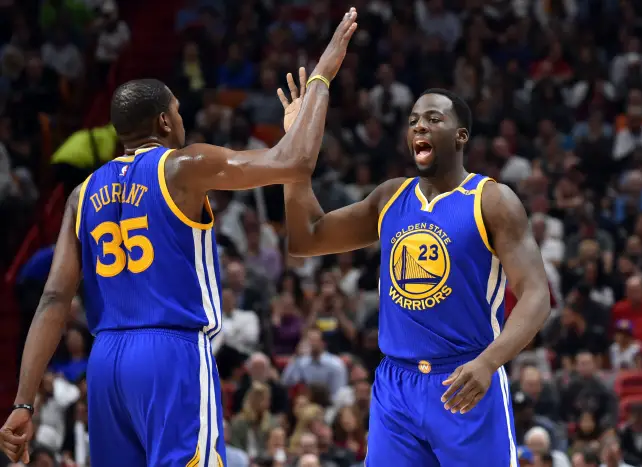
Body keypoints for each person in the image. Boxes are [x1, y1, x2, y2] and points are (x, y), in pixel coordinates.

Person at [0, 9, 359, 466]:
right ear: (166, 123)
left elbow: (53, 301)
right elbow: (296, 161)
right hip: (170, 352)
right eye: (178, 111)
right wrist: (321, 80)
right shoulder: (183, 166)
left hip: (106, 363)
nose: (181, 119)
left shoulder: (81, 194)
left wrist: (23, 402)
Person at [277, 79, 551, 465]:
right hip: (396, 388)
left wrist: (489, 362)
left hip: (464, 379)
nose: (419, 126)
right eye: (413, 120)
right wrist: (294, 147)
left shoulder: (492, 200)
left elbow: (537, 295)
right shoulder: (390, 197)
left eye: (433, 119)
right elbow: (306, 238)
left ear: (460, 136)